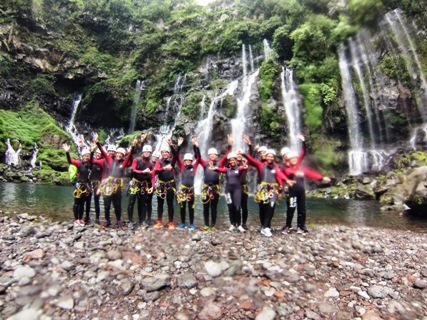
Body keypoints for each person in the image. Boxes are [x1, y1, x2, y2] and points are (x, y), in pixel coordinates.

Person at [243, 149, 293, 237]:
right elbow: (252, 161)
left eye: (272, 156)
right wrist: (244, 155)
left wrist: (282, 185)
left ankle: (266, 227)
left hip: (273, 188)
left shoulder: (276, 166)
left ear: (273, 158)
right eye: (268, 156)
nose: (270, 158)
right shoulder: (261, 165)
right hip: (263, 188)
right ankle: (264, 226)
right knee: (264, 207)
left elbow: (279, 176)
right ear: (265, 157)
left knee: (271, 206)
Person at [94, 133, 135, 229]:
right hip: (108, 184)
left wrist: (132, 147)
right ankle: (106, 220)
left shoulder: (124, 164)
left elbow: (129, 157)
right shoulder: (109, 160)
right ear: (116, 154)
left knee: (117, 205)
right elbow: (103, 152)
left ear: (123, 156)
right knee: (107, 203)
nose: (119, 155)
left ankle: (118, 221)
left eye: (121, 154)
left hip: (118, 186)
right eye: (118, 153)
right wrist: (97, 142)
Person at [282, 151, 331, 234]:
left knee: (302, 209)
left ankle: (300, 226)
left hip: (301, 191)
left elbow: (311, 174)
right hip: (292, 191)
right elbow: (287, 172)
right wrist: (294, 172)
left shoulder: (301, 168)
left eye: (295, 158)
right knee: (291, 208)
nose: (294, 160)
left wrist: (321, 178)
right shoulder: (287, 168)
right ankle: (288, 226)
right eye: (292, 159)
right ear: (289, 160)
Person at [193, 134, 232, 231]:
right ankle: (206, 225)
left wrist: (229, 144)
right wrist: (196, 146)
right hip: (206, 188)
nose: (213, 156)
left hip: (215, 188)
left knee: (214, 207)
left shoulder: (220, 164)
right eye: (211, 155)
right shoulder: (204, 163)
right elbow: (198, 157)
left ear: (217, 156)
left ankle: (213, 225)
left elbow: (227, 156)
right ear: (208, 156)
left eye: (214, 154)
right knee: (205, 207)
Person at [213, 152, 247, 233]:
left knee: (237, 207)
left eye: (233, 160)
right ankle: (232, 224)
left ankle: (239, 225)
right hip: (228, 191)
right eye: (230, 160)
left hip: (237, 190)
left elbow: (243, 168)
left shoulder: (239, 168)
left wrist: (245, 166)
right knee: (230, 207)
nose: (232, 162)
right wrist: (214, 168)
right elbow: (220, 169)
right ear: (228, 161)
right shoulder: (227, 170)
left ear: (236, 161)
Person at [62, 143, 92, 227]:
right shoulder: (79, 163)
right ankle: (76, 219)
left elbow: (93, 158)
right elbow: (70, 161)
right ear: (82, 156)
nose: (86, 157)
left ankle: (81, 218)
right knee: (76, 203)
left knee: (82, 203)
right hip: (79, 185)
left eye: (88, 156)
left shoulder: (89, 165)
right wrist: (67, 152)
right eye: (85, 156)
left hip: (86, 186)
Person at [127, 144, 155, 230]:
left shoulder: (150, 164)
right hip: (135, 183)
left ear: (150, 153)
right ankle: (130, 221)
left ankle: (141, 220)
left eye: (149, 152)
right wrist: (142, 172)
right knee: (131, 202)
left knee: (142, 204)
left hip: (143, 184)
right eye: (145, 152)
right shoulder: (137, 160)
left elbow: (153, 175)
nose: (147, 153)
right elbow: (133, 169)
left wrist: (153, 186)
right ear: (143, 152)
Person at [154, 138, 179, 229]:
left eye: (166, 152)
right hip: (161, 185)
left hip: (170, 185)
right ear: (161, 153)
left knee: (170, 204)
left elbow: (176, 155)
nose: (165, 153)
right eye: (163, 152)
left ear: (169, 154)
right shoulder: (159, 162)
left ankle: (171, 222)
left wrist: (171, 145)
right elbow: (156, 171)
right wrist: (164, 169)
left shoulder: (171, 161)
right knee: (160, 203)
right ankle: (159, 221)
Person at [176, 136, 199, 230]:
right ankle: (182, 223)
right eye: (186, 160)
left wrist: (195, 146)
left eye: (189, 160)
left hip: (191, 190)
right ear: (184, 161)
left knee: (191, 208)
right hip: (183, 190)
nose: (188, 162)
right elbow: (177, 157)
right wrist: (179, 146)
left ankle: (192, 224)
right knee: (182, 207)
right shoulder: (182, 167)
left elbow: (199, 157)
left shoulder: (194, 167)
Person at [88, 146, 105, 225]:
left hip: (97, 183)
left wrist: (101, 185)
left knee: (96, 201)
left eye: (99, 154)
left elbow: (103, 175)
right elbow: (90, 160)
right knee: (87, 200)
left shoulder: (102, 162)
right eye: (97, 153)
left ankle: (97, 218)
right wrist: (92, 152)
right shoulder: (92, 162)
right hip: (90, 182)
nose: (98, 154)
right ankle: (87, 216)